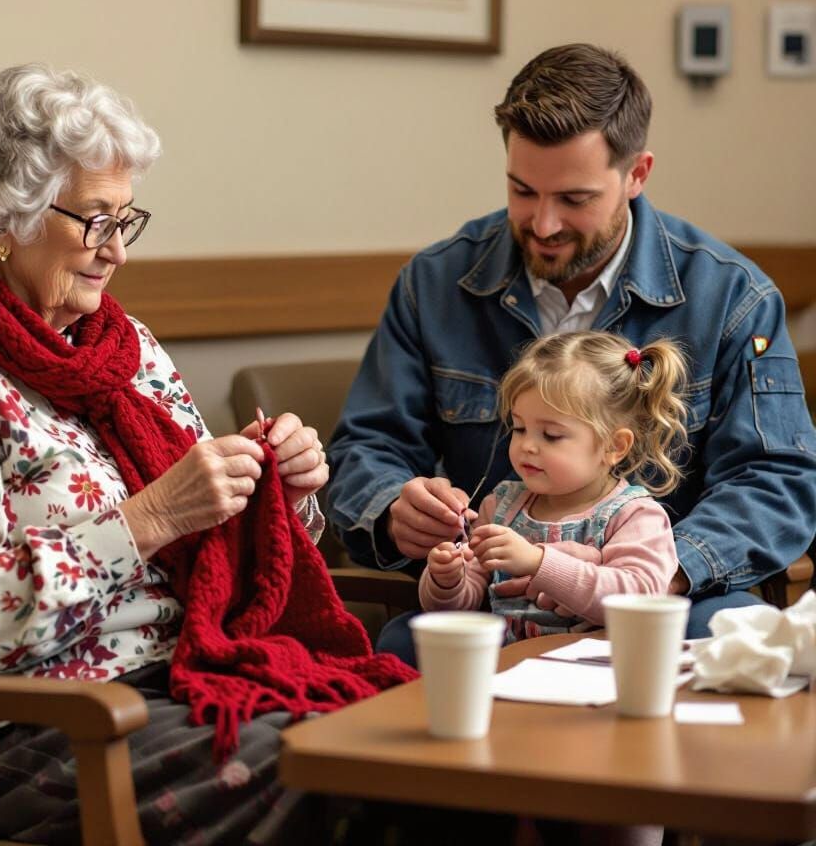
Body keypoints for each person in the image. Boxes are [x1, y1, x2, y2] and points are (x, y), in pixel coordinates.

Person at [0, 63, 416, 845]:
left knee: (418, 744)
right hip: (9, 729)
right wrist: (149, 518)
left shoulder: (116, 346)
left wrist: (283, 491)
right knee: (338, 772)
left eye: (125, 221)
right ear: (4, 220)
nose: (117, 253)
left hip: (181, 680)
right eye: (96, 221)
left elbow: (215, 546)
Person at [327, 43, 816, 648]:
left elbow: (776, 482)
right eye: (522, 190)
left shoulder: (732, 297)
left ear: (637, 174)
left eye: (574, 199)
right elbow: (365, 448)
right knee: (403, 646)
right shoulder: (435, 285)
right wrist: (390, 508)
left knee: (721, 636)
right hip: (493, 607)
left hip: (665, 604)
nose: (544, 223)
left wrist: (648, 578)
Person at [419, 330, 684, 648]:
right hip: (512, 672)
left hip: (601, 674)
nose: (527, 445)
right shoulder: (501, 507)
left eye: (552, 435)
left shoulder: (634, 515)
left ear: (614, 445)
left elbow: (641, 600)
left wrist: (538, 562)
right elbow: (461, 607)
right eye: (519, 428)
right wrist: (447, 580)